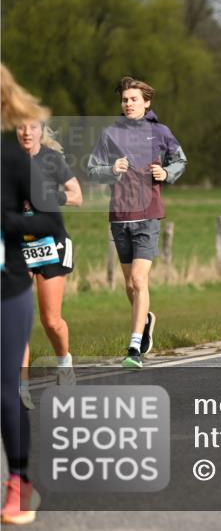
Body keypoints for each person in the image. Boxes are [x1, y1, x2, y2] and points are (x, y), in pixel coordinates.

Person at [87, 77, 187, 368]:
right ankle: (146, 319)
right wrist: (110, 168)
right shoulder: (110, 134)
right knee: (130, 286)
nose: (128, 104)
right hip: (119, 216)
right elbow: (93, 170)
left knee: (139, 280)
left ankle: (133, 348)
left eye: (133, 99)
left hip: (148, 214)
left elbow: (180, 160)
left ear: (146, 102)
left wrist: (165, 174)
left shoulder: (159, 132)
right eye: (124, 100)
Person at [2, 65, 62, 525]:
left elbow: (47, 220)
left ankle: (18, 483)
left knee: (5, 390)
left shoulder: (12, 157)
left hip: (7, 287)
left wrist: (7, 220)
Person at [15, 119, 82, 388]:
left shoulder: (52, 159)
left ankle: (64, 363)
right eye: (20, 127)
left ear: (41, 131)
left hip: (51, 243)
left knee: (51, 321)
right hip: (18, 245)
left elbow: (77, 196)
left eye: (32, 126)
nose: (26, 132)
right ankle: (20, 386)